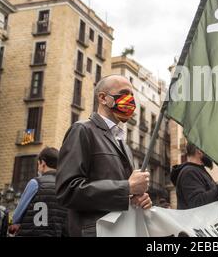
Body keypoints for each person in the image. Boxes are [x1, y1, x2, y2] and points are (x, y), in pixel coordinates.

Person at [56, 75, 152, 237]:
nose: (130, 101)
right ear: (103, 98)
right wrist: (126, 188)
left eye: (132, 96)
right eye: (124, 93)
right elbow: (67, 190)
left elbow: (120, 194)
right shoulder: (82, 130)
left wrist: (136, 199)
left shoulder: (124, 144)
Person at [8, 147, 68, 237]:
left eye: (38, 164)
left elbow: (16, 216)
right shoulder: (65, 186)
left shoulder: (35, 183)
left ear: (42, 163)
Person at [170, 143, 218, 209]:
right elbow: (197, 202)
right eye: (208, 150)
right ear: (199, 150)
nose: (210, 154)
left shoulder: (197, 171)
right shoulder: (189, 172)